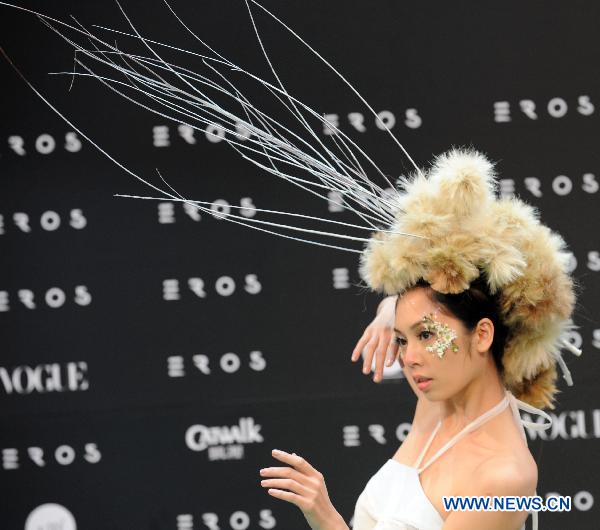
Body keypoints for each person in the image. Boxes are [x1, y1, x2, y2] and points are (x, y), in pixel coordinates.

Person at [258, 149, 580, 530]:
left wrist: (325, 517)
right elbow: (435, 299)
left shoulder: (503, 476)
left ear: (482, 335)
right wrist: (389, 314)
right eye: (401, 341)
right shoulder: (438, 403)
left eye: (425, 336)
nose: (409, 358)